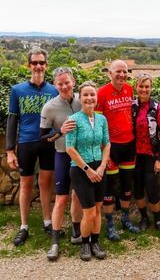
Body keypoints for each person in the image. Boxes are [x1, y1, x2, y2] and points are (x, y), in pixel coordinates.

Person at [6, 47, 58, 246]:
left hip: (47, 143)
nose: (38, 66)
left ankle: (47, 221)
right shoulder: (17, 90)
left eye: (41, 62)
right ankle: (24, 226)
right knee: (26, 185)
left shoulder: (53, 90)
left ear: (46, 65)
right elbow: (12, 120)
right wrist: (10, 151)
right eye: (34, 62)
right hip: (26, 143)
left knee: (46, 183)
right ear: (29, 65)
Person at [40, 67, 83, 261]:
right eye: (60, 83)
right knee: (61, 199)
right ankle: (55, 242)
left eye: (67, 82)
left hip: (81, 156)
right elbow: (43, 137)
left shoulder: (83, 100)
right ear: (55, 85)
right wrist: (61, 131)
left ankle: (76, 233)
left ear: (73, 82)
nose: (64, 86)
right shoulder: (49, 107)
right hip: (63, 155)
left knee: (77, 197)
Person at [66, 81, 110, 261]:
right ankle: (84, 242)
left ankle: (95, 242)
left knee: (98, 209)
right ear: (80, 97)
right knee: (89, 211)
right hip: (80, 169)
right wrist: (87, 169)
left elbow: (106, 143)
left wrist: (101, 167)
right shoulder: (73, 120)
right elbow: (70, 148)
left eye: (92, 94)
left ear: (97, 98)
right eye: (86, 95)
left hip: (99, 167)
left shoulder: (102, 119)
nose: (89, 98)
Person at [96, 60, 139, 241]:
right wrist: (102, 147)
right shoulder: (101, 93)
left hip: (129, 144)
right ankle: (110, 224)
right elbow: (97, 123)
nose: (122, 75)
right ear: (110, 73)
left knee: (127, 184)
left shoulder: (129, 89)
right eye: (118, 72)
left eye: (125, 71)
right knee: (110, 186)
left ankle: (125, 219)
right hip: (110, 147)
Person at [132, 74, 160, 233]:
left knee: (152, 188)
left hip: (151, 154)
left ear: (151, 88)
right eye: (141, 86)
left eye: (147, 86)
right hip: (133, 154)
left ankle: (158, 219)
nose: (144, 89)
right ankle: (144, 218)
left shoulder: (158, 107)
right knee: (138, 188)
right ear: (136, 87)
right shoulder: (131, 105)